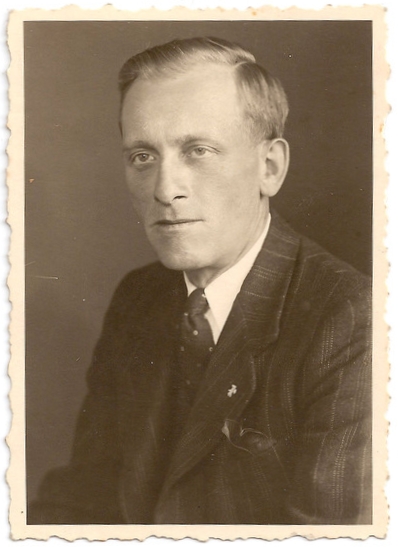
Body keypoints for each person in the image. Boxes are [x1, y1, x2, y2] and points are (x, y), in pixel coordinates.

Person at [29, 36, 372, 525]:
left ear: (269, 167)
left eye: (199, 150)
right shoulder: (138, 297)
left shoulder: (353, 320)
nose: (167, 190)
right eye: (142, 156)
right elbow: (82, 499)